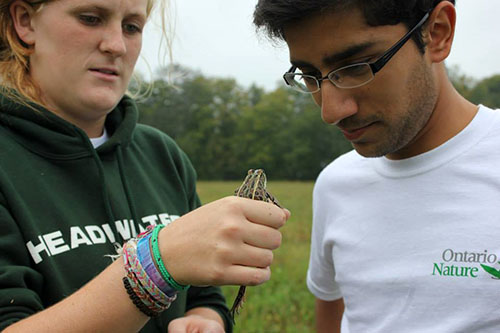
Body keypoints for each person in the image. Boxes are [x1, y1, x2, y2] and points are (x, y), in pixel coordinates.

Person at [0, 0, 290, 332]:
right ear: (25, 22)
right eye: (90, 18)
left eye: (132, 27)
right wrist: (154, 266)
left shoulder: (161, 154)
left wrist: (205, 320)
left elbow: (203, 296)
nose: (116, 45)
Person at [253, 0, 500, 332]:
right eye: (310, 76)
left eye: (356, 66)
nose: (330, 112)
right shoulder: (335, 184)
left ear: (437, 32)